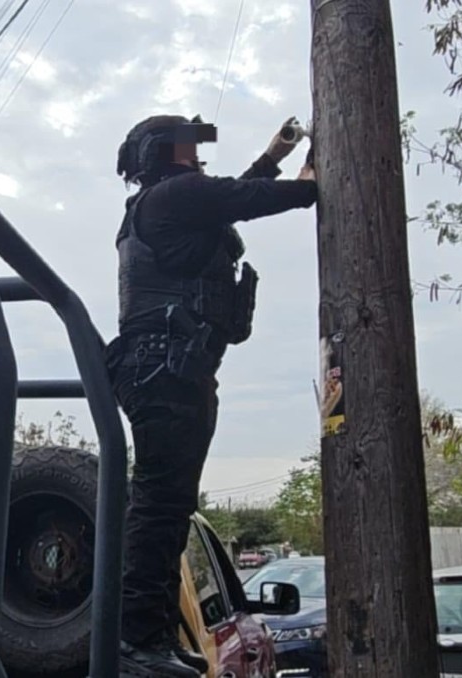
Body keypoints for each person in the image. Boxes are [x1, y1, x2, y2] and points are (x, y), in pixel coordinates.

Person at [107, 114, 317, 677]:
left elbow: (232, 195)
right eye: (189, 144)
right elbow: (252, 197)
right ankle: (133, 640)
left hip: (171, 366)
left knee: (169, 505)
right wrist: (308, 179)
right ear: (165, 152)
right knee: (158, 505)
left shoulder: (166, 202)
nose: (198, 153)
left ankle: (149, 634)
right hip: (165, 366)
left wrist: (273, 156)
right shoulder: (177, 195)